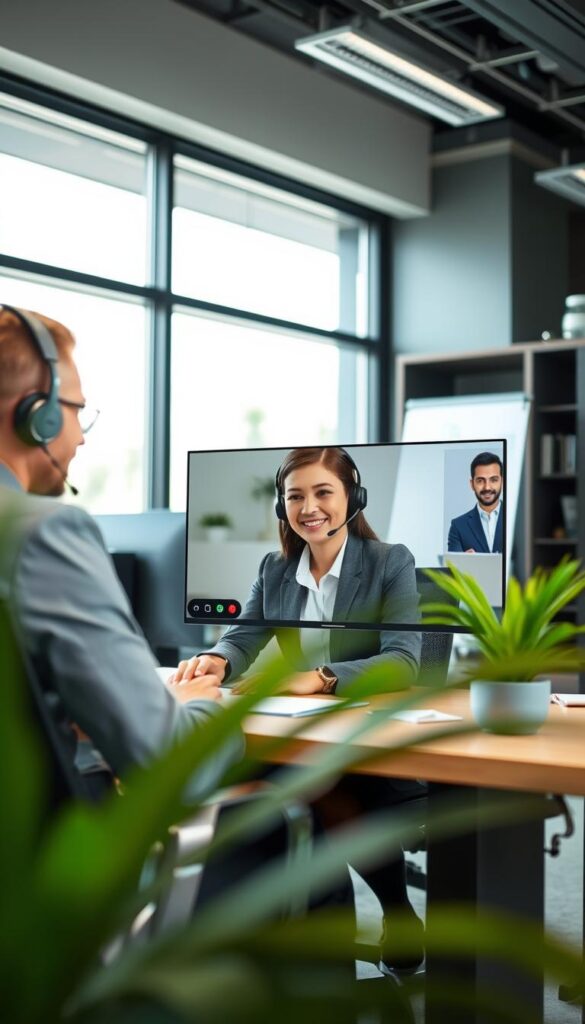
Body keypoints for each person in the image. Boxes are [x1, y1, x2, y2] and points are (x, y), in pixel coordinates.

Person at [171, 445, 424, 971]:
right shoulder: (277, 567)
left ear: (352, 497)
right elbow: (244, 636)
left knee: (321, 787)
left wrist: (323, 676)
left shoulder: (389, 561)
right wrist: (218, 660)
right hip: (301, 731)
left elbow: (404, 660)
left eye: (323, 492)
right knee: (256, 782)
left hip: (368, 732)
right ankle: (291, 939)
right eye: (295, 496)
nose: (309, 506)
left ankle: (390, 914)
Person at [0, 304, 242, 800]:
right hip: (44, 867)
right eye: (75, 411)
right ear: (37, 415)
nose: (80, 437)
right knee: (298, 827)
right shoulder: (44, 531)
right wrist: (196, 709)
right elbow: (169, 763)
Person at [447, 450, 504, 554]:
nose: (487, 487)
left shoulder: (516, 518)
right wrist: (464, 560)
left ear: (502, 482)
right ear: (472, 484)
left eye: (494, 480)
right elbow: (453, 567)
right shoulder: (458, 526)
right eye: (480, 481)